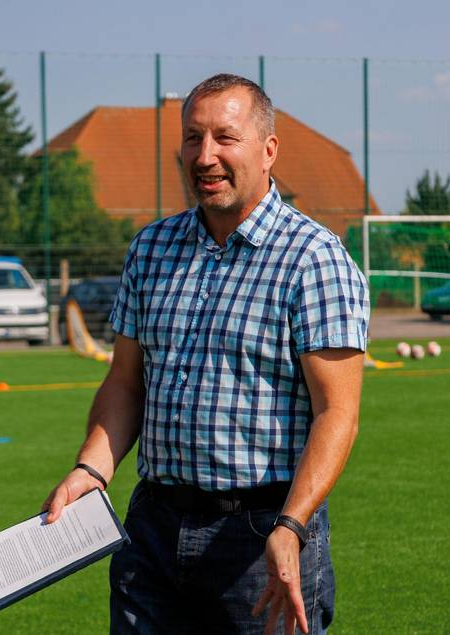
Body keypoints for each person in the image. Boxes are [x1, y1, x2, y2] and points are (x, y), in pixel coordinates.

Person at [42, 73, 369, 635]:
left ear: (268, 151)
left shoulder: (315, 259)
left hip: (260, 536)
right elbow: (125, 383)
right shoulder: (151, 248)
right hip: (152, 531)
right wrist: (90, 468)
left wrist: (291, 525)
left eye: (225, 137)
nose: (205, 156)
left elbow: (336, 413)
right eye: (193, 138)